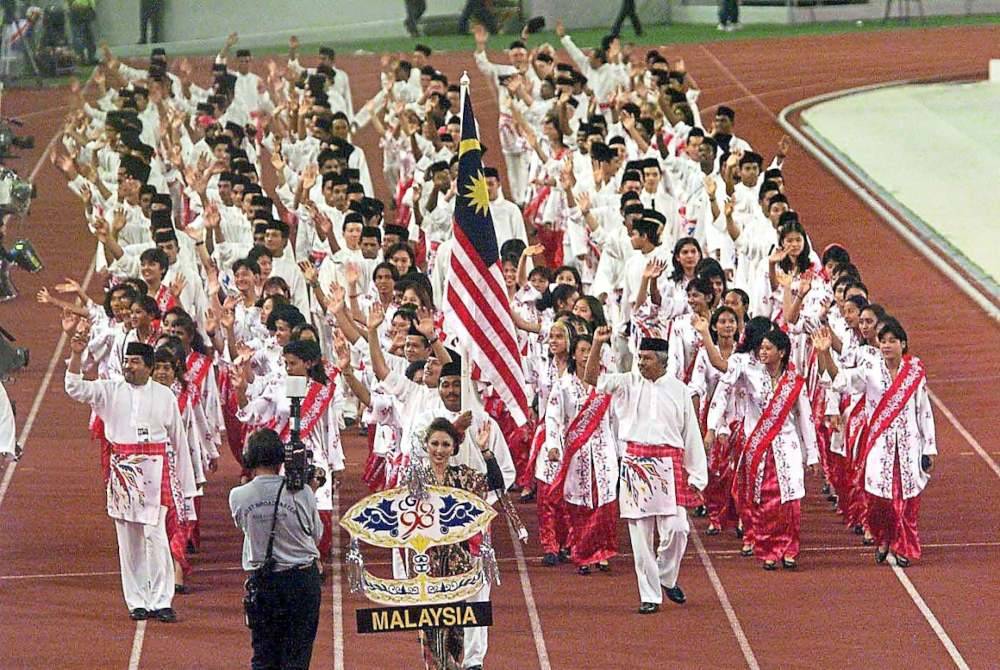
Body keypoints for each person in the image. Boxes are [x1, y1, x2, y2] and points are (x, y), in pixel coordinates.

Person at [64, 331, 194, 622]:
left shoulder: (165, 396)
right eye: (126, 361)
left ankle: (162, 600)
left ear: (149, 367)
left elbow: (179, 440)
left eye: (135, 362)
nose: (128, 367)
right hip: (123, 470)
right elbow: (73, 387)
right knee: (129, 539)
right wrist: (75, 354)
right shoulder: (109, 390)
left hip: (155, 470)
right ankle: (136, 601)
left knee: (156, 537)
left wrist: (186, 487)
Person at [583, 327, 707, 614]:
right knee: (640, 537)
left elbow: (691, 435)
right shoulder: (627, 382)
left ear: (663, 362)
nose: (640, 363)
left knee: (678, 529)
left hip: (668, 464)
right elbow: (591, 379)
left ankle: (665, 574)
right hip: (635, 463)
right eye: (639, 357)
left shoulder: (680, 391)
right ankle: (650, 595)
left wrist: (697, 475)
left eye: (647, 358)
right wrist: (596, 343)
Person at [813, 318, 936, 567]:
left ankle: (904, 546)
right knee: (880, 500)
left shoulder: (914, 373)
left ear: (903, 344)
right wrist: (825, 353)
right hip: (879, 445)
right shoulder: (870, 369)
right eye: (883, 341)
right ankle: (883, 537)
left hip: (909, 445)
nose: (887, 345)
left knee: (908, 499)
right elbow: (840, 381)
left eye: (893, 341)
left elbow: (924, 411)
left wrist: (929, 447)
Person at [412, 417, 505, 670]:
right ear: (426, 445)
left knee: (455, 636)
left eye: (445, 444)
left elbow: (496, 485)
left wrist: (485, 451)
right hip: (426, 569)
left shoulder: (463, 476)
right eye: (435, 444)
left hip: (458, 569)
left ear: (454, 448)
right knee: (433, 640)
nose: (439, 450)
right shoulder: (414, 481)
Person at [229, 429, 323, 670]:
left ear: (249, 458)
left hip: (264, 583)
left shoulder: (238, 496)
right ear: (282, 459)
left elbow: (244, 527)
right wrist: (309, 491)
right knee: (297, 655)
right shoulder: (302, 492)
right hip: (301, 581)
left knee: (263, 655)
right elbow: (316, 534)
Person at [68, 0, 97, 65]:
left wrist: (92, 7)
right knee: (78, 36)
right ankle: (80, 58)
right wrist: (74, 4)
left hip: (88, 9)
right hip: (76, 10)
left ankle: (91, 57)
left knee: (89, 35)